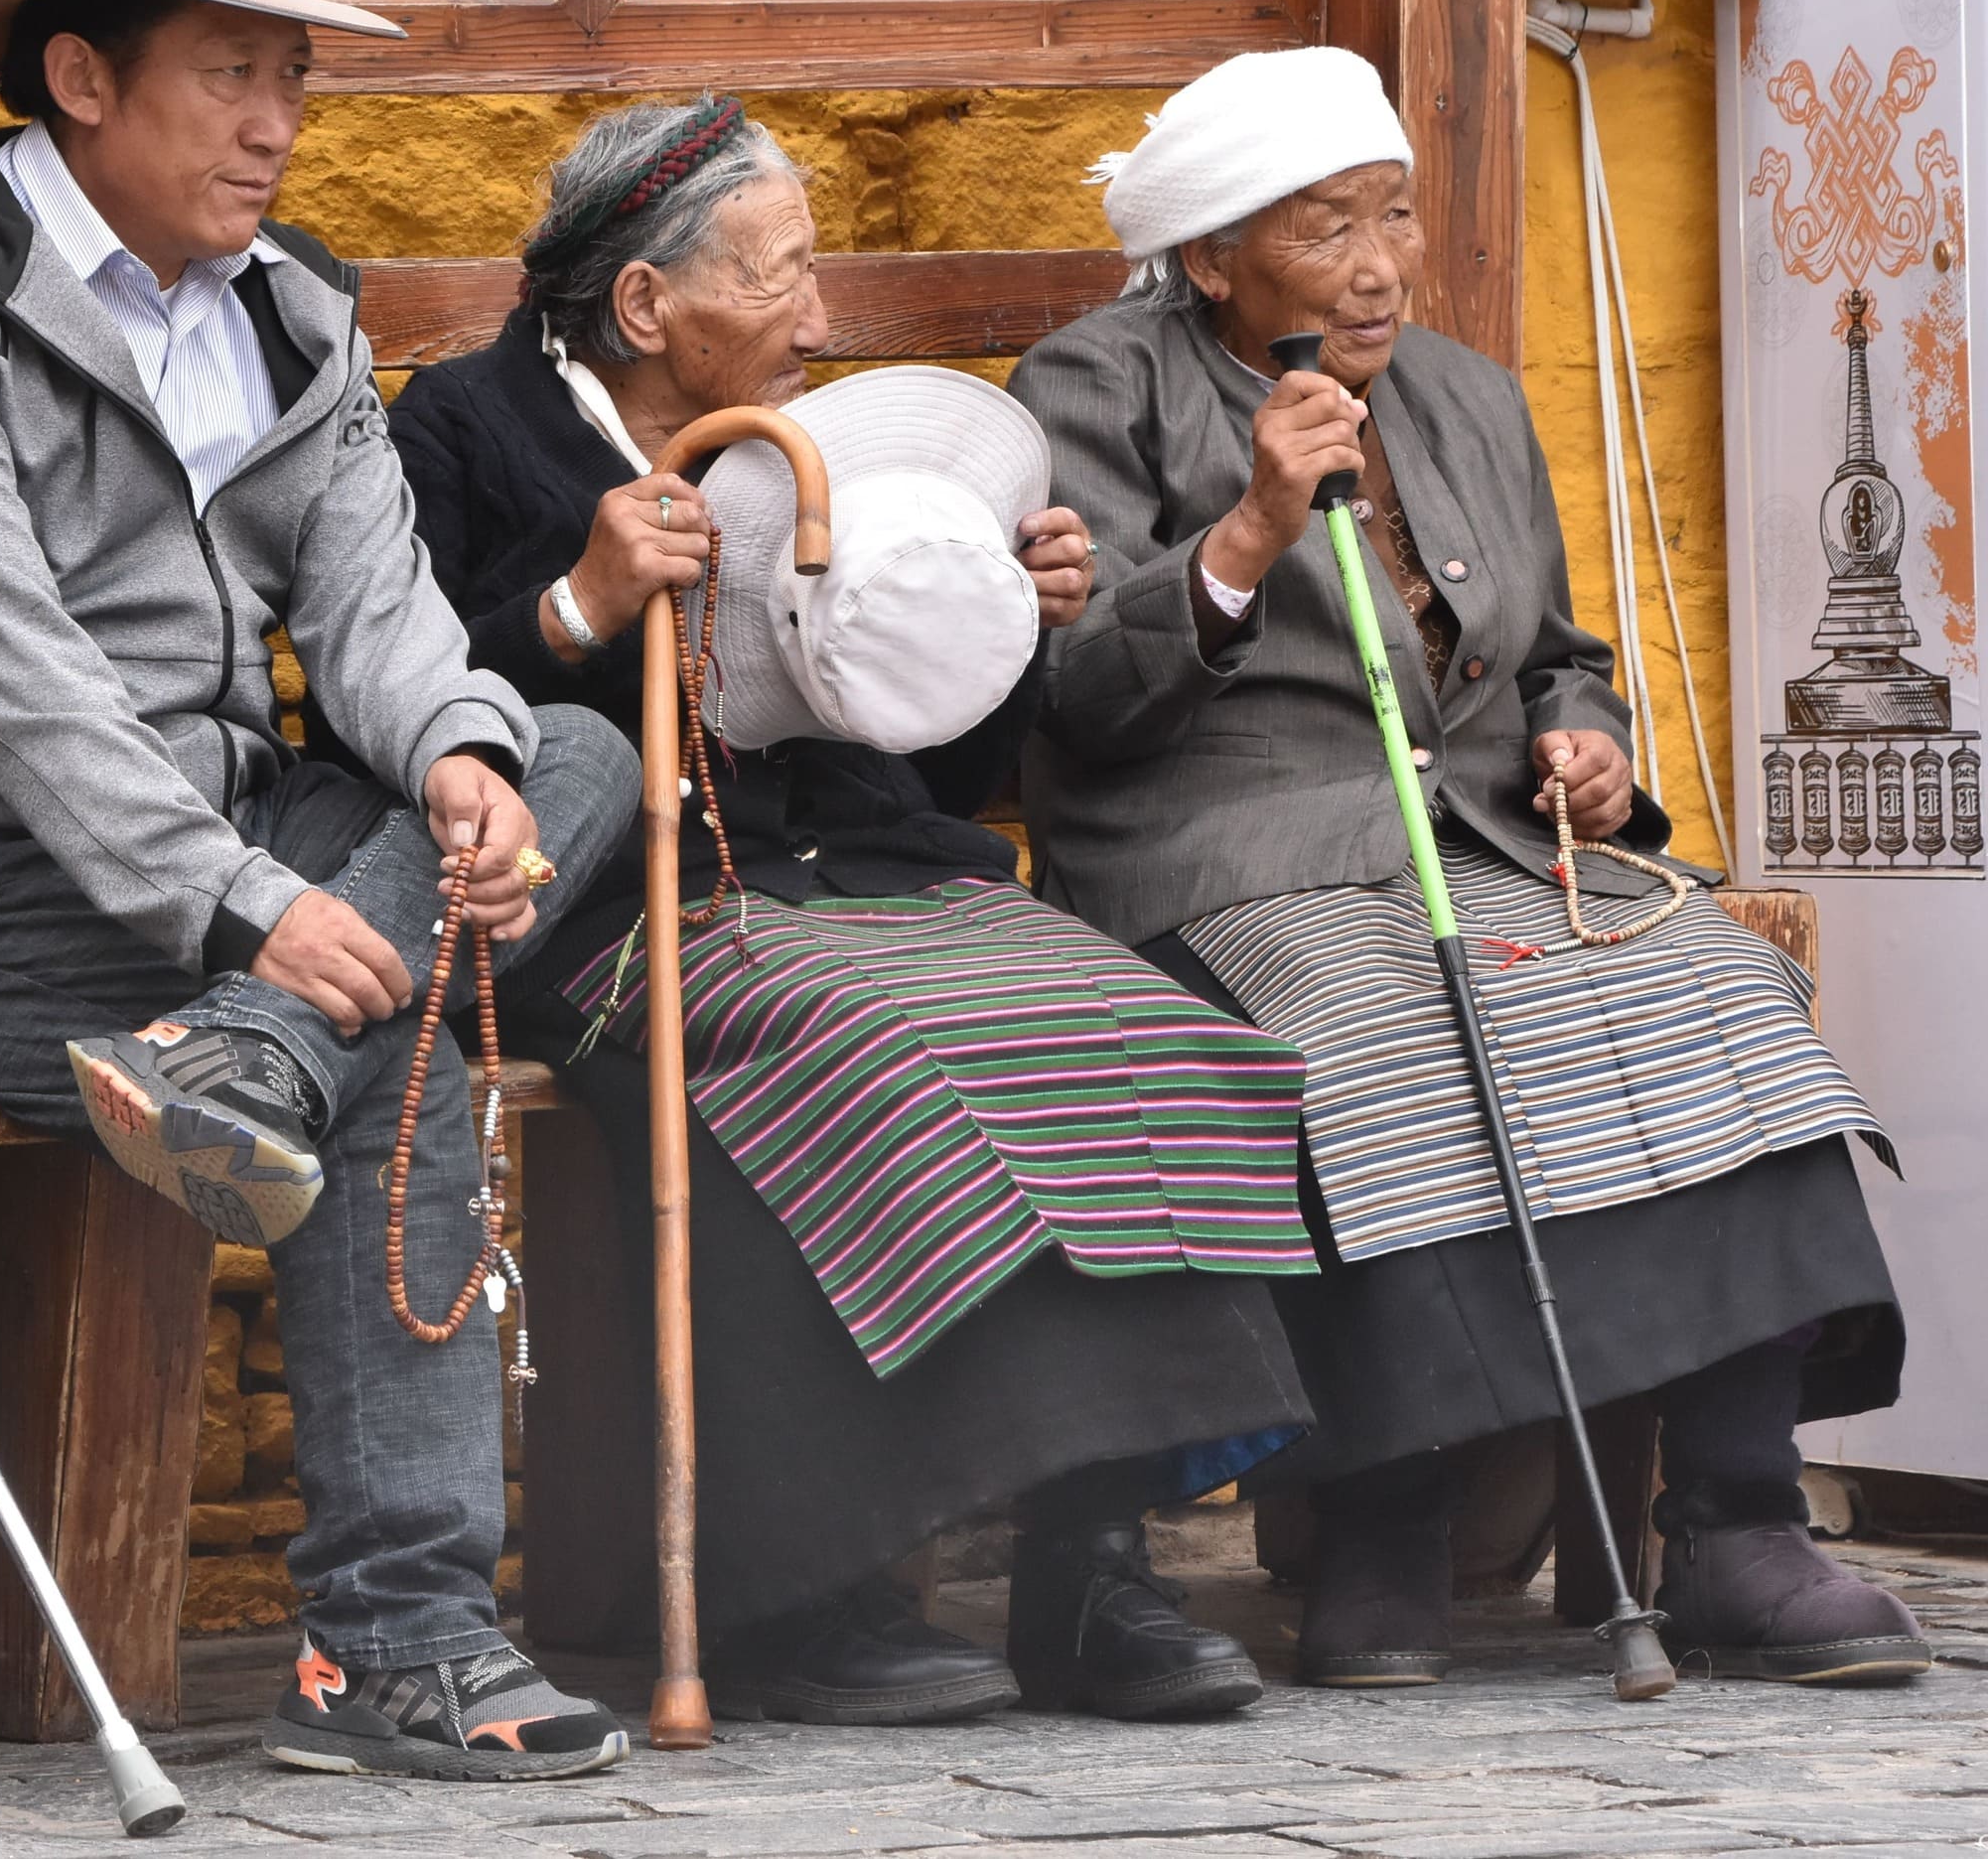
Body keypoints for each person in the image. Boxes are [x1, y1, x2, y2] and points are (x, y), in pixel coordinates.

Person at [0, 0, 639, 1783]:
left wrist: (459, 757)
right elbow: (13, 682)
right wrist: (249, 917)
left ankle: (252, 1056)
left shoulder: (292, 309)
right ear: (82, 78)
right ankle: (396, 1641)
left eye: (291, 78)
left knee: (569, 764)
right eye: (231, 73)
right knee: (394, 1031)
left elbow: (382, 611)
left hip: (235, 897)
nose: (274, 125)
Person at [387, 97, 1318, 1728]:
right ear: (646, 304)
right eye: (783, 277)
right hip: (630, 896)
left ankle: (1089, 1559)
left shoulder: (834, 443)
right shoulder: (462, 428)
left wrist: (1007, 623)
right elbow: (389, 702)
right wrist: (579, 603)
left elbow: (936, 763)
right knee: (845, 1045)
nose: (821, 319)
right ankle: (803, 1587)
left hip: (873, 868)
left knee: (1122, 1017)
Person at [1012, 44, 1929, 1690]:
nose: (1377, 266)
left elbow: (1558, 653)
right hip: (1236, 857)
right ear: (1211, 257)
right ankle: (1387, 1520)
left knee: (1725, 985)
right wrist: (1248, 530)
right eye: (1324, 227)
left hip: (1489, 840)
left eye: (1396, 215)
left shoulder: (1465, 393)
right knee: (1377, 1031)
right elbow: (1075, 699)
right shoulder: (1097, 384)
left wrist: (1588, 743)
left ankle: (1738, 1517)